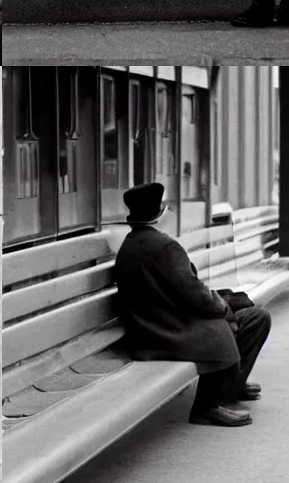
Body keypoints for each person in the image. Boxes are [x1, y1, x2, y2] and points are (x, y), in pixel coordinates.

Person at [113, 182, 270, 428]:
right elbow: (194, 294)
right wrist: (225, 307)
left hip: (152, 328)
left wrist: (223, 303)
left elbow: (183, 291)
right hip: (166, 331)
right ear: (160, 214)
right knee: (243, 322)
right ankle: (209, 405)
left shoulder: (131, 245)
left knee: (239, 318)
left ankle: (233, 385)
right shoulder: (164, 246)